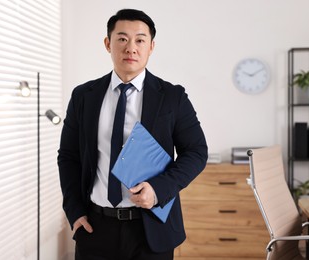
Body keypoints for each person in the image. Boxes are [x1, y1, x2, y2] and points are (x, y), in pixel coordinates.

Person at [58, 8, 208, 260]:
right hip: (95, 227)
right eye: (122, 39)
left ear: (151, 46)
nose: (131, 48)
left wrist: (159, 189)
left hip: (150, 229)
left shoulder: (172, 97)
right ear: (108, 44)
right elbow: (69, 156)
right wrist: (74, 212)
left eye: (140, 40)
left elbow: (196, 152)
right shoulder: (84, 96)